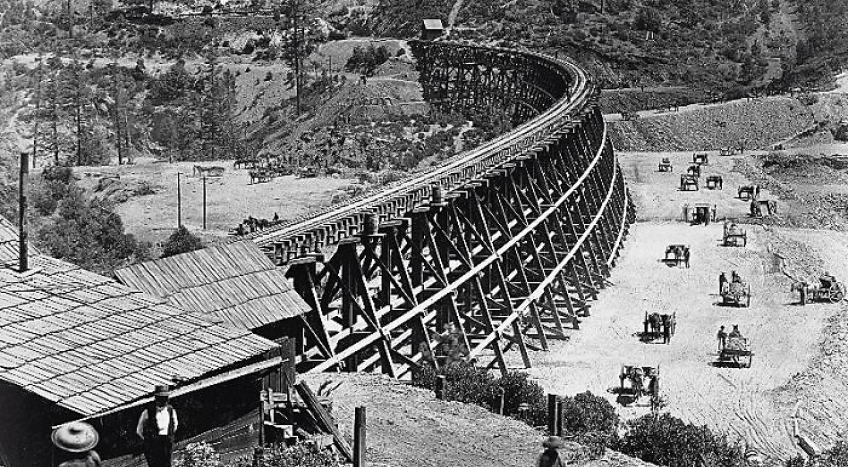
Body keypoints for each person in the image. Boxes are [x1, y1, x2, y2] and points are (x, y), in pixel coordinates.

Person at [137, 385, 178, 467]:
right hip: (153, 445)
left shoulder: (171, 410)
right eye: (161, 398)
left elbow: (175, 425)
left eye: (165, 398)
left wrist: (169, 437)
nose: (163, 400)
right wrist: (149, 440)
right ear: (156, 398)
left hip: (166, 444)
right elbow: (139, 430)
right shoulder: (147, 412)